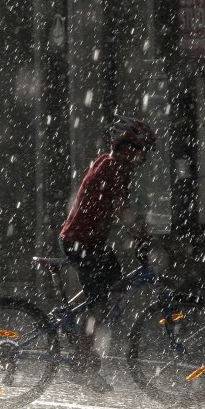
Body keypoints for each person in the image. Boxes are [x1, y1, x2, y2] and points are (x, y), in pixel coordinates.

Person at [59, 115, 156, 393]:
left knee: (112, 283)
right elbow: (121, 210)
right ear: (128, 148)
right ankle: (82, 363)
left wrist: (140, 232)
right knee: (99, 304)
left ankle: (75, 318)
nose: (143, 158)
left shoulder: (108, 162)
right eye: (142, 151)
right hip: (83, 242)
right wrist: (145, 235)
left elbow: (118, 208)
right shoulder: (113, 168)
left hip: (90, 241)